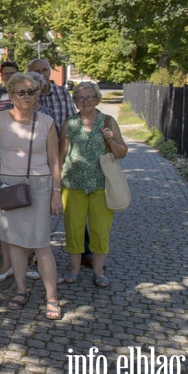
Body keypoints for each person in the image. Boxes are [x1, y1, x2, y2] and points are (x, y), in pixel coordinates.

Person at [0, 72, 63, 321]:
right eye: (21, 92)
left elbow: (55, 160)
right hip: (9, 185)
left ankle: (52, 298)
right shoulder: (0, 118)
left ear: (37, 94)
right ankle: (21, 290)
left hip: (40, 184)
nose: (26, 96)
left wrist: (57, 192)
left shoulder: (46, 122)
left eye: (31, 91)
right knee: (14, 241)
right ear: (11, 94)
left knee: (41, 243)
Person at [59, 82, 127, 288]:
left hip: (101, 185)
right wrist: (55, 183)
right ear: (74, 101)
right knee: (74, 228)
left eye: (89, 97)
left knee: (100, 229)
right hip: (72, 184)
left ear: (97, 99)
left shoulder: (108, 121)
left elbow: (122, 152)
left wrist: (111, 140)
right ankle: (74, 269)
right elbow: (61, 155)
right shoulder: (70, 123)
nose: (85, 101)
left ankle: (99, 272)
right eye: (79, 98)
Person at [27, 58, 92, 268]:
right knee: (39, 208)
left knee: (73, 205)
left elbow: (73, 122)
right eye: (36, 71)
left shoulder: (62, 93)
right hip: (37, 160)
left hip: (65, 157)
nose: (42, 73)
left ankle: (84, 251)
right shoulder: (28, 96)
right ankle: (38, 252)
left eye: (45, 69)